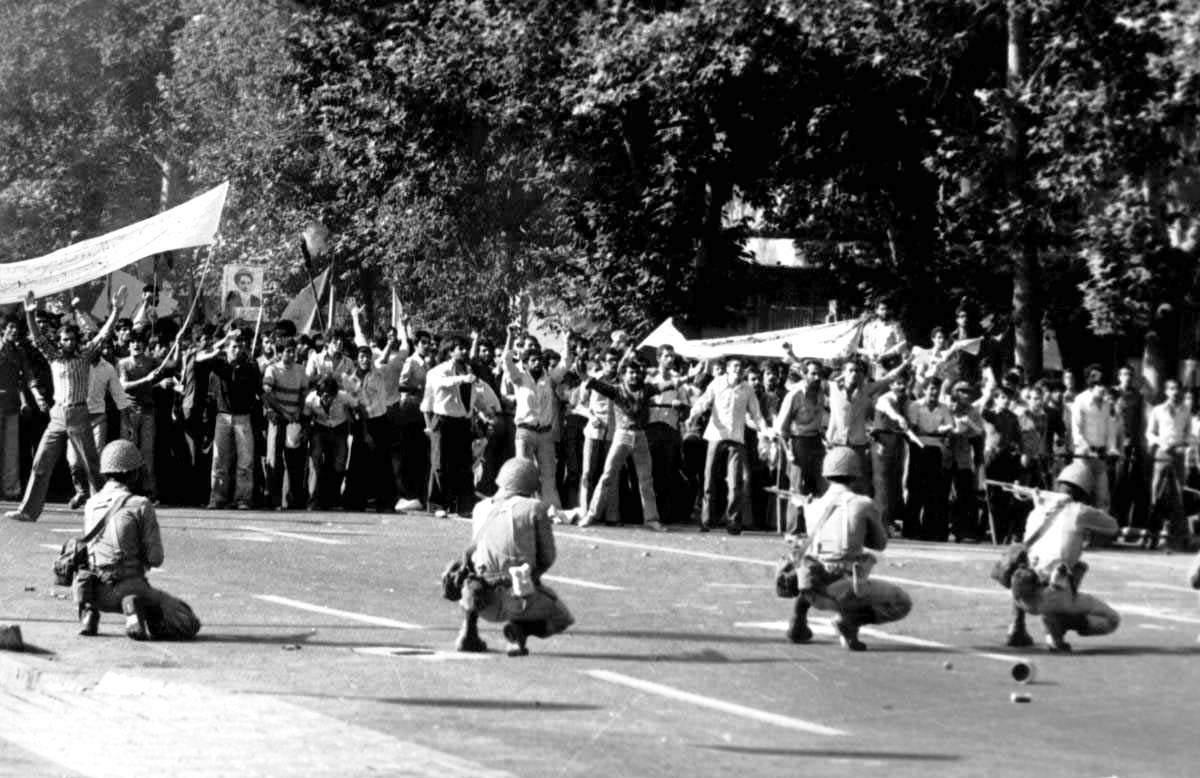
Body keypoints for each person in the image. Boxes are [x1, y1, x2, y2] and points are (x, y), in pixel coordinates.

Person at [6, 286, 126, 523]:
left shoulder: (85, 355)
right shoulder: (54, 356)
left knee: (92, 466)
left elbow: (103, 334)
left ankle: (103, 510)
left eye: (71, 339)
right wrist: (30, 313)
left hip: (80, 413)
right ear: (59, 341)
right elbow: (38, 338)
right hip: (58, 415)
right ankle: (28, 510)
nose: (68, 342)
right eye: (64, 339)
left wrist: (116, 310)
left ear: (76, 340)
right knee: (41, 462)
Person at [782, 447, 913, 651]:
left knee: (813, 561)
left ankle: (798, 618)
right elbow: (880, 544)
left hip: (811, 589)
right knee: (902, 603)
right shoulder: (863, 504)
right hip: (845, 589)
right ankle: (850, 621)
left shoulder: (812, 506)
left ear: (826, 474)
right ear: (856, 475)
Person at [73, 440, 201, 640]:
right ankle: (134, 607)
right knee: (188, 622)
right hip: (131, 585)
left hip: (95, 590)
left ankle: (88, 613)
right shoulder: (140, 504)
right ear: (134, 474)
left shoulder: (90, 504)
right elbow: (155, 558)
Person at [455, 457, 574, 656]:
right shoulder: (535, 508)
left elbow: (476, 556)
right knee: (562, 618)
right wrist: (532, 575)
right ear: (530, 484)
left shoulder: (480, 508)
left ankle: (469, 629)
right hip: (519, 598)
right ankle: (520, 630)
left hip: (481, 601)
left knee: (473, 581)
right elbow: (547, 557)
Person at [1002, 460, 1120, 651]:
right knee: (1112, 620)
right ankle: (1060, 623)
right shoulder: (1080, 511)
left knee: (1024, 566)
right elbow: (1113, 526)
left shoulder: (1037, 510)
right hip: (1053, 596)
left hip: (1023, 595)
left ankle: (1018, 627)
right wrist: (1098, 506)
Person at [579, 358, 687, 531]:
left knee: (646, 480)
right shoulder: (616, 390)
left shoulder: (646, 389)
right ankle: (592, 514)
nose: (635, 375)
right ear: (624, 375)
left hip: (641, 435)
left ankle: (651, 519)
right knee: (607, 476)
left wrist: (687, 377)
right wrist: (584, 375)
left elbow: (666, 385)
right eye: (631, 372)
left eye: (637, 372)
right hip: (622, 435)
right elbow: (595, 384)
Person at [687, 355, 767, 534]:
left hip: (736, 437)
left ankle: (733, 521)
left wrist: (764, 429)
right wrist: (693, 415)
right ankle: (706, 520)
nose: (738, 369)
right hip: (716, 435)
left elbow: (757, 414)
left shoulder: (747, 389)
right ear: (728, 369)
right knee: (709, 480)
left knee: (735, 482)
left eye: (740, 367)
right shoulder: (717, 383)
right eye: (735, 366)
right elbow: (704, 401)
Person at [196, 330, 262, 509]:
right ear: (226, 349)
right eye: (233, 347)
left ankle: (243, 499)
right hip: (223, 417)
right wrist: (223, 341)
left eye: (240, 346)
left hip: (243, 417)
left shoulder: (250, 366)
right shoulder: (218, 364)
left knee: (245, 462)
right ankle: (217, 498)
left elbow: (259, 391)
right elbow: (199, 357)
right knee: (219, 460)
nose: (237, 350)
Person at [775, 359, 827, 535]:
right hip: (798, 442)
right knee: (797, 487)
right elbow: (781, 428)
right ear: (805, 375)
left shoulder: (821, 393)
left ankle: (814, 528)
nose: (817, 377)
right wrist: (788, 451)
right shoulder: (794, 395)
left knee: (818, 485)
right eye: (813, 373)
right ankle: (794, 529)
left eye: (819, 374)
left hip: (816, 441)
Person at [117, 329, 166, 502]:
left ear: (144, 345)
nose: (136, 345)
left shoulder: (151, 361)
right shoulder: (123, 363)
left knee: (147, 453)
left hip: (148, 411)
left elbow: (171, 363)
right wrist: (147, 379)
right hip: (130, 412)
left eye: (139, 342)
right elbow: (124, 386)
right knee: (128, 451)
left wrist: (177, 342)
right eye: (133, 342)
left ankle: (149, 490)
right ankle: (125, 490)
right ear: (128, 345)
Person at [1146, 377, 1192, 550]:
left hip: (1178, 456)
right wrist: (1161, 442)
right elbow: (1149, 433)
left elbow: (1188, 433)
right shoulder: (1158, 410)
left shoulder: (1185, 410)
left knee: (1179, 494)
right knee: (1157, 494)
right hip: (1162, 454)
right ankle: (1152, 535)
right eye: (1171, 389)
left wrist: (1184, 444)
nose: (1175, 392)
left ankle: (1178, 537)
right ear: (1166, 391)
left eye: (1177, 389)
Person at [262, 337, 308, 510]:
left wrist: (298, 411)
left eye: (293, 351)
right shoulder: (272, 369)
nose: (291, 354)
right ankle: (273, 500)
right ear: (281, 352)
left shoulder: (300, 370)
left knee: (294, 461)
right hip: (278, 420)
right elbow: (267, 394)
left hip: (294, 421)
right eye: (288, 351)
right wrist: (283, 412)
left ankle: (291, 500)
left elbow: (303, 393)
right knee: (274, 459)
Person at [1070, 364, 1120, 512]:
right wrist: (1087, 449)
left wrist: (1112, 449)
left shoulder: (1107, 405)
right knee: (1082, 497)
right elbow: (1076, 430)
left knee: (1103, 498)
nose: (1103, 389)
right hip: (1084, 457)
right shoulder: (1080, 400)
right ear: (1091, 385)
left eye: (1105, 385)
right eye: (1099, 385)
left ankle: (1101, 526)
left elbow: (1110, 430)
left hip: (1101, 457)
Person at [0, 316, 38, 501]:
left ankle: (11, 490)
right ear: (3, 329)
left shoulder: (19, 351)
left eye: (16, 328)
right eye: (10, 327)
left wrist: (29, 399)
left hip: (12, 406)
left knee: (11, 450)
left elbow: (26, 377)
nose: (14, 331)